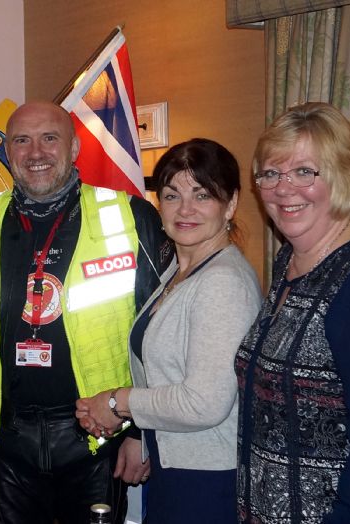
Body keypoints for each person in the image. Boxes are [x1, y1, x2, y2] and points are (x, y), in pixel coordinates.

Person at [0, 101, 171, 523]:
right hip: (6, 442)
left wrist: (143, 433)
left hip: (101, 437)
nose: (36, 153)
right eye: (22, 141)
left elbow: (159, 337)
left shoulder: (131, 217)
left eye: (50, 138)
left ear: (75, 147)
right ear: (8, 152)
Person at [75, 138, 262, 522]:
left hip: (206, 480)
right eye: (172, 195)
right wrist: (138, 435)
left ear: (231, 204)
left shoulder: (222, 282)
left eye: (202, 195)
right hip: (174, 467)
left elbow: (205, 403)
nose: (185, 209)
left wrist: (117, 403)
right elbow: (166, 374)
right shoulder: (180, 273)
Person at [236, 102, 350, 522]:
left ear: (342, 175)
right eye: (271, 173)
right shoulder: (290, 263)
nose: (283, 188)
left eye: (304, 172)